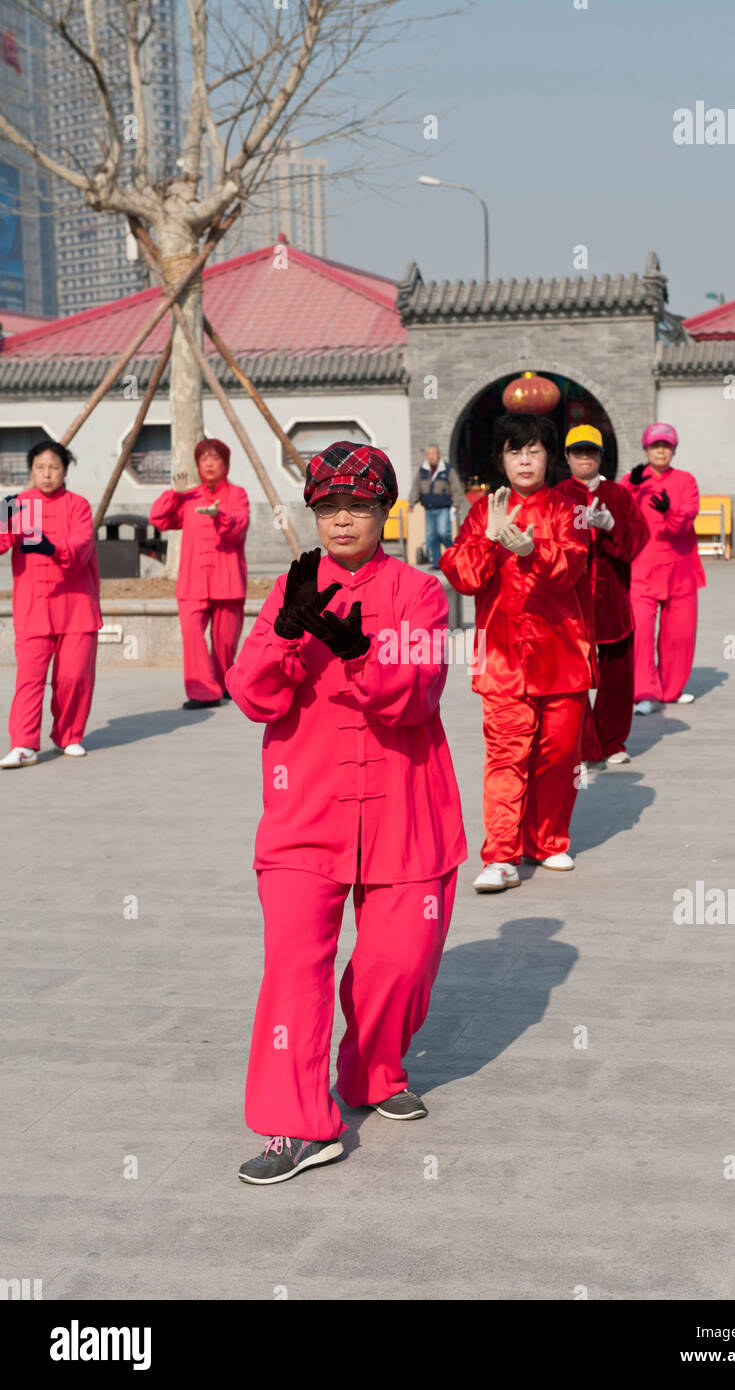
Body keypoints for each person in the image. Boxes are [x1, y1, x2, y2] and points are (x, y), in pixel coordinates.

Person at [226, 441, 467, 1184]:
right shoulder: (286, 592)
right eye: (328, 508)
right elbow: (252, 694)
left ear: (384, 512)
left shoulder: (420, 594)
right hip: (306, 809)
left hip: (403, 808)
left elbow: (417, 697)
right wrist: (290, 636)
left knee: (400, 962)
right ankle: (296, 1126)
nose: (341, 521)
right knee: (293, 968)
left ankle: (373, 1068)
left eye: (357, 507)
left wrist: (361, 653)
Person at [439, 413, 594, 893]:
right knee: (506, 754)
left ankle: (547, 841)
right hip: (503, 657)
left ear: (549, 456)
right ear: (501, 459)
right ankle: (501, 855)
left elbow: (573, 565)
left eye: (533, 450)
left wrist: (534, 548)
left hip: (562, 654)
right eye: (513, 451)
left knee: (560, 753)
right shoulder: (485, 510)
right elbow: (461, 576)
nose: (524, 459)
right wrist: (487, 540)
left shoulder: (570, 506)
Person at [0, 438, 101, 768]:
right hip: (33, 608)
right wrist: (2, 515)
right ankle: (24, 745)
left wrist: (51, 548)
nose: (47, 474)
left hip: (76, 607)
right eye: (40, 467)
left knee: (74, 678)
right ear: (31, 470)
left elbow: (81, 544)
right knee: (29, 678)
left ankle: (69, 736)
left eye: (54, 467)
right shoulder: (18, 504)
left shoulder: (79, 505)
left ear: (65, 471)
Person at [556, 425, 648, 764]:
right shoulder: (558, 496)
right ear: (566, 457)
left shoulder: (619, 496)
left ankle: (612, 742)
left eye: (590, 451)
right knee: (571, 678)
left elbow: (638, 539)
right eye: (577, 452)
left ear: (600, 456)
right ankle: (581, 744)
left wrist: (612, 527)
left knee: (617, 676)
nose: (584, 458)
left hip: (613, 600)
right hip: (571, 602)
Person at [149, 437, 249, 709]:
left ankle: (225, 682)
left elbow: (239, 527)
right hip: (192, 582)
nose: (208, 462)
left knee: (225, 642)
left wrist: (220, 516)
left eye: (214, 457)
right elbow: (158, 519)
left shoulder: (237, 494)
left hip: (226, 580)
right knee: (192, 634)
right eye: (203, 458)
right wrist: (175, 494)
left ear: (225, 464)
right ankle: (203, 692)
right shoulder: (188, 496)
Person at [621, 423, 706, 713]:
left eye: (666, 446)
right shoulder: (632, 480)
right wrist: (631, 488)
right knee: (641, 631)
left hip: (680, 567)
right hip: (642, 568)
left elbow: (687, 519)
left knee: (679, 633)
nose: (660, 450)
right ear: (645, 449)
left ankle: (671, 688)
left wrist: (670, 511)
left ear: (673, 450)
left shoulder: (686, 481)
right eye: (655, 445)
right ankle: (645, 691)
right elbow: (622, 514)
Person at [408, 443, 468, 568]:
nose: (431, 457)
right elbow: (416, 487)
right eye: (429, 454)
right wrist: (412, 502)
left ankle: (454, 556)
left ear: (438, 455)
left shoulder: (447, 469)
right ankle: (436, 562)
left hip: (443, 508)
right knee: (431, 536)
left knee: (443, 533)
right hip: (429, 508)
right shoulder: (423, 470)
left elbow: (456, 488)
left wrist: (456, 504)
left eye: (433, 454)